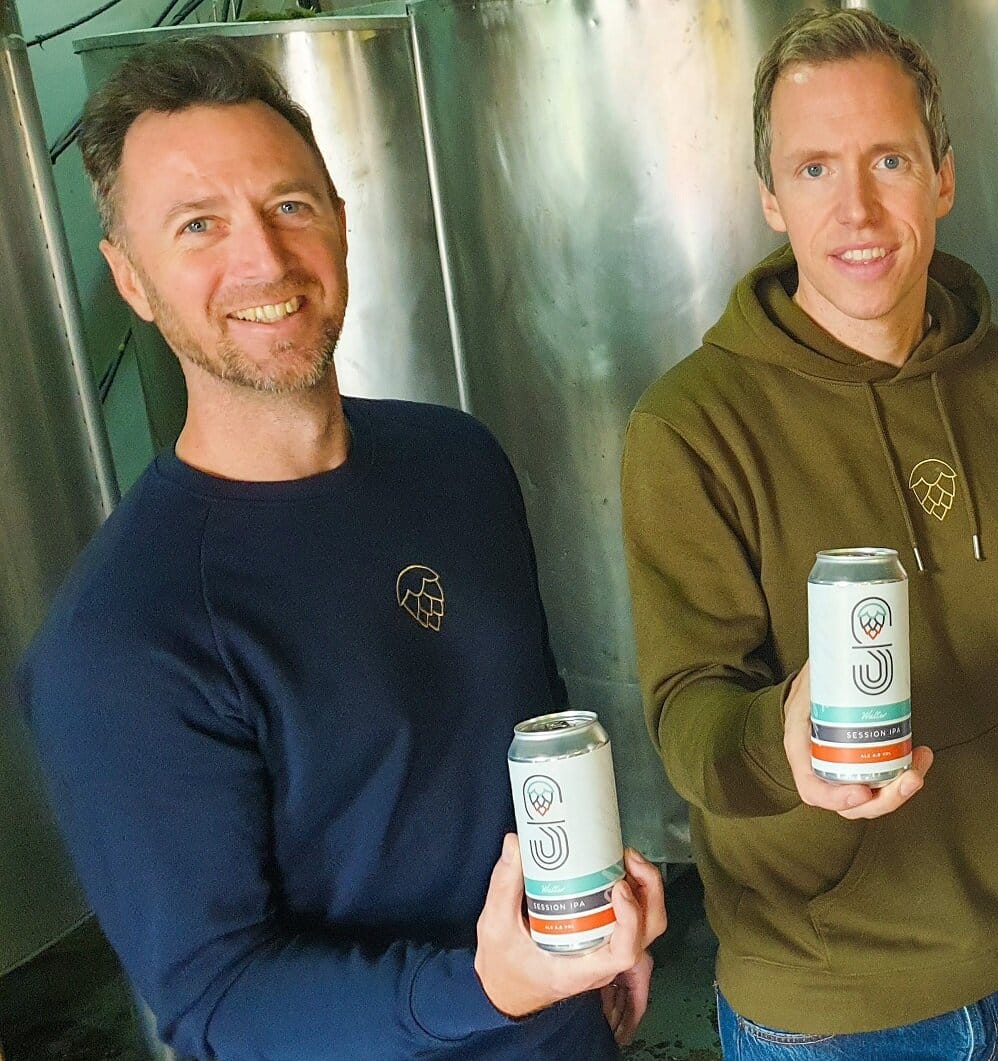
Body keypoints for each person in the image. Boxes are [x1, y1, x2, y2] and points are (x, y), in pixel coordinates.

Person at [17, 38, 663, 1060]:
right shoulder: (122, 637)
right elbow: (217, 1000)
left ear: (341, 221)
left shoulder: (458, 462)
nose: (264, 261)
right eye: (198, 225)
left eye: (290, 205)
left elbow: (530, 742)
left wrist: (593, 931)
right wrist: (489, 988)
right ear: (130, 278)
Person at [621, 10, 998, 1058]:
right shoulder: (692, 424)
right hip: (825, 1001)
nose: (854, 208)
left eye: (888, 160)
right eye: (813, 169)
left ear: (941, 176)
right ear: (771, 196)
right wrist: (780, 739)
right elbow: (688, 714)